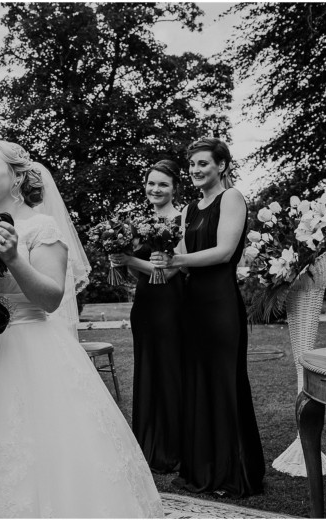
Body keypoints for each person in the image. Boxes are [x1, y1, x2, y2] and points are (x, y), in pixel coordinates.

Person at [0, 140, 162, 518]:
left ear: (17, 176)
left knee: (23, 451)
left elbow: (51, 298)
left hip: (27, 350)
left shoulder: (42, 227)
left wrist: (13, 258)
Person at [151, 137, 265, 497]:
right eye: (192, 165)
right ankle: (202, 468)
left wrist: (177, 261)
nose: (196, 170)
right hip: (192, 305)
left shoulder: (231, 198)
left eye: (203, 163)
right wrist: (150, 260)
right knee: (196, 384)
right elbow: (177, 261)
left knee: (223, 383)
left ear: (222, 166)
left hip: (219, 304)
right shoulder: (189, 209)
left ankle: (233, 473)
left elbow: (223, 251)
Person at [109, 159, 184, 473]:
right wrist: (118, 259)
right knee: (147, 369)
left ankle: (174, 447)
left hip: (173, 302)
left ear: (174, 188)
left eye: (163, 184)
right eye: (152, 183)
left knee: (170, 370)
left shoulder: (182, 219)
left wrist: (130, 259)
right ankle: (147, 444)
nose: (156, 189)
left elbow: (167, 271)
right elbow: (133, 269)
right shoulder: (137, 222)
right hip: (144, 305)